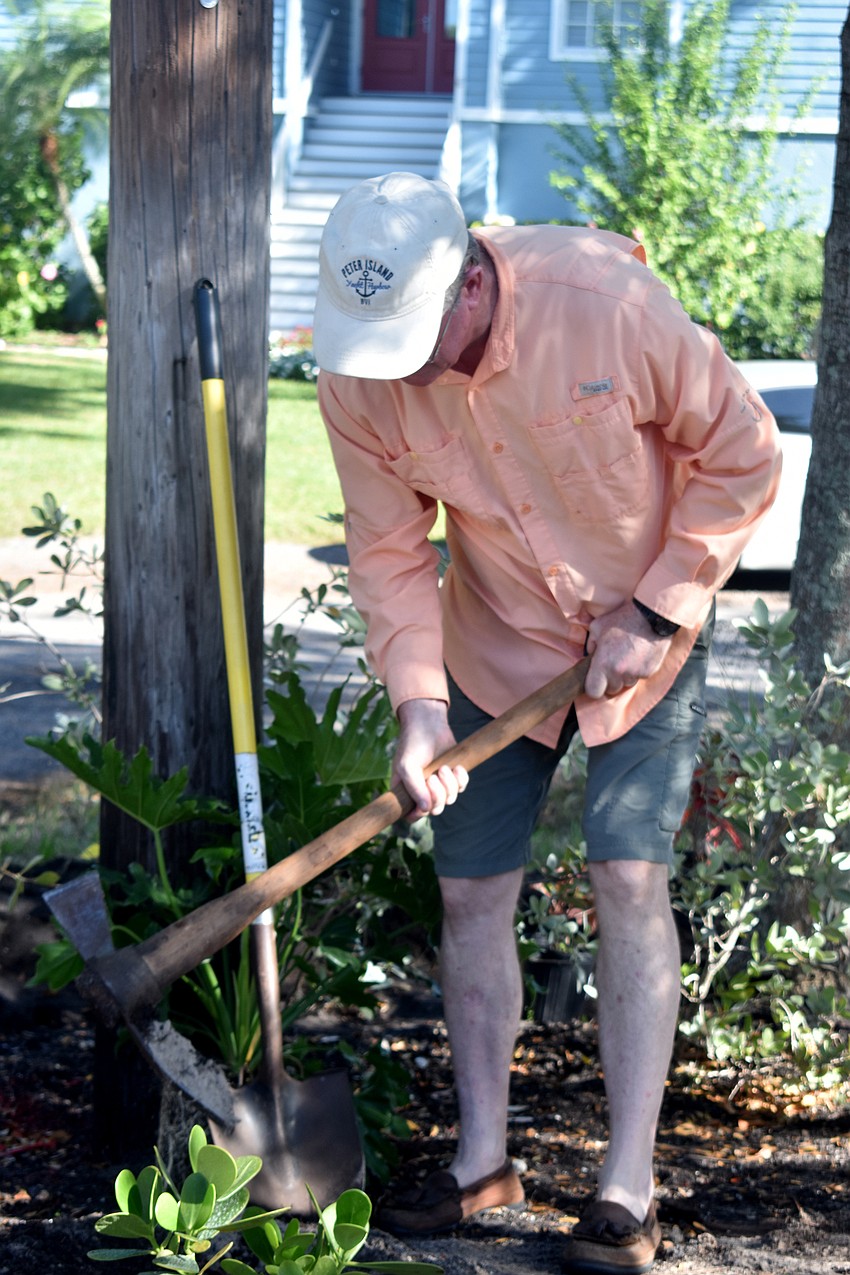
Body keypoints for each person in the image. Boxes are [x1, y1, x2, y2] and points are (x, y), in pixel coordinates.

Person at [311, 171, 781, 1274]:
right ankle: (483, 1163)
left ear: (472, 283)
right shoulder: (362, 374)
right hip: (495, 641)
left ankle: (626, 1185)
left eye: (417, 336)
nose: (401, 368)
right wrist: (420, 708)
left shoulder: (600, 304)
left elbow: (744, 451)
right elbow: (386, 554)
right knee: (471, 889)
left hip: (644, 634)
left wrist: (661, 603)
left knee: (626, 878)